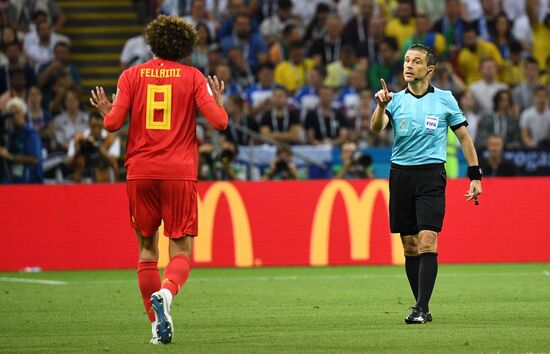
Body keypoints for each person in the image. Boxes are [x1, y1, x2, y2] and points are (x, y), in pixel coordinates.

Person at [89, 15, 228, 345]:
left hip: (140, 172)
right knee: (181, 248)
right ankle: (166, 294)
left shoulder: (131, 75)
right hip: (179, 172)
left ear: (152, 43)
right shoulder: (193, 76)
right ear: (185, 47)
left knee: (147, 249)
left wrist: (105, 109)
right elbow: (220, 123)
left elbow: (111, 125)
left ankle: (155, 327)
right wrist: (219, 103)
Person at [370, 44, 482, 324]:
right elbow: (376, 128)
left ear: (429, 69)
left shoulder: (445, 99)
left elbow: (465, 138)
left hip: (431, 175)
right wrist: (380, 106)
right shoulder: (393, 100)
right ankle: (423, 307)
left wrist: (475, 175)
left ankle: (420, 307)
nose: (409, 65)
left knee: (427, 240)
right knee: (409, 245)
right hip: (400, 175)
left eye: (416, 61)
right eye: (407, 60)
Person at [0, 97, 43, 184]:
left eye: (17, 113)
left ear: (23, 114)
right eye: (11, 114)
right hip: (12, 179)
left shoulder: (30, 133)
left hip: (29, 181)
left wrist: (10, 157)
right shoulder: (10, 134)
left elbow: (34, 159)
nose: (14, 117)